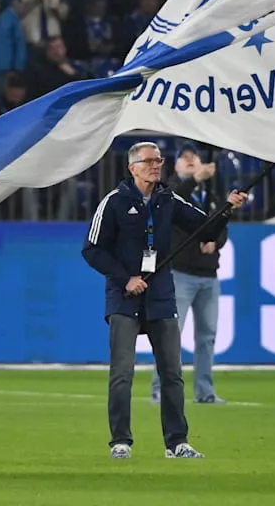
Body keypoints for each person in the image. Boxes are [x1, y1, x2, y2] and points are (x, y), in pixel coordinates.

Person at [82, 141, 246, 459]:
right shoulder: (113, 202)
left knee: (172, 372)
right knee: (122, 372)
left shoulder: (168, 199)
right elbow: (91, 249)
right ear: (133, 167)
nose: (157, 165)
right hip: (124, 295)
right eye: (150, 161)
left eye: (159, 160)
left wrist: (226, 209)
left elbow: (205, 229)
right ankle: (120, 441)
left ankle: (177, 442)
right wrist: (125, 278)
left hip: (160, 294)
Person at [150, 144, 228, 405]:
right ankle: (160, 388)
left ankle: (204, 392)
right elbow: (171, 200)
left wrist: (215, 241)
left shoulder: (210, 193)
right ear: (176, 166)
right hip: (180, 274)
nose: (190, 160)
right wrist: (195, 180)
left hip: (209, 275)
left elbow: (221, 223)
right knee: (172, 333)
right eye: (184, 158)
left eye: (193, 156)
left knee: (207, 336)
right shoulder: (170, 190)